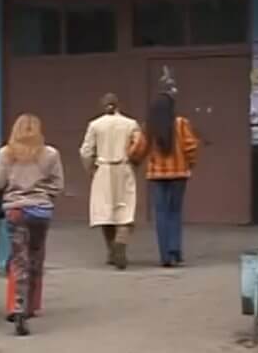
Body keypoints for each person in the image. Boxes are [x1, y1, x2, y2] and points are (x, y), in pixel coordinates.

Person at [0, 114, 64, 336]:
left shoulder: (6, 153)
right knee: (36, 256)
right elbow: (58, 185)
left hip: (16, 210)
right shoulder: (50, 154)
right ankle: (31, 305)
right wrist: (43, 192)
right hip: (41, 211)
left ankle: (17, 306)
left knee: (19, 258)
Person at [128, 92, 199, 267]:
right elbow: (191, 146)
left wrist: (132, 158)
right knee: (175, 212)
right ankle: (175, 250)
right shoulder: (181, 123)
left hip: (157, 175)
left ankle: (164, 255)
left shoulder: (149, 127)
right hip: (179, 174)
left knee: (161, 214)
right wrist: (189, 163)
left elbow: (139, 150)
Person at [79, 93, 141, 269]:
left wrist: (91, 169)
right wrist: (135, 164)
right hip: (124, 168)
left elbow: (86, 151)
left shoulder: (95, 125)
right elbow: (138, 146)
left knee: (105, 211)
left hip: (103, 170)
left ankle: (112, 249)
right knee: (126, 209)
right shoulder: (131, 124)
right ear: (118, 105)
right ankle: (121, 241)